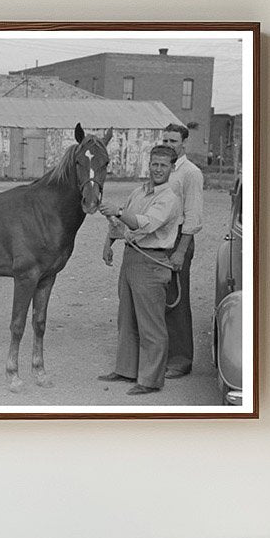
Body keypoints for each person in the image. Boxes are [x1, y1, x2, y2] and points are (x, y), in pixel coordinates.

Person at [97, 145, 183, 395]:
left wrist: (119, 212)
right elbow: (121, 222)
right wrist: (109, 242)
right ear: (149, 164)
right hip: (131, 258)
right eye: (154, 164)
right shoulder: (139, 191)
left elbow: (144, 224)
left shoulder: (169, 198)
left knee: (151, 325)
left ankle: (150, 380)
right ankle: (126, 370)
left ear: (172, 168)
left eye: (163, 165)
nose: (157, 169)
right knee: (126, 318)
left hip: (152, 261)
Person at [160, 123, 204, 378]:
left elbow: (193, 216)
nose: (168, 145)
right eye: (165, 141)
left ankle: (181, 360)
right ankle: (161, 356)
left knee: (176, 298)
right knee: (159, 298)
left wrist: (180, 251)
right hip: (159, 238)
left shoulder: (190, 173)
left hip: (178, 240)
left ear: (183, 144)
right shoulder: (162, 168)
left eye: (173, 142)